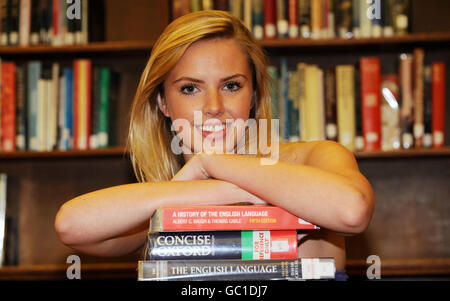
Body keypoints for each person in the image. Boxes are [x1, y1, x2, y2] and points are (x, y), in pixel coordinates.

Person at [55, 10, 374, 281]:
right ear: (163, 103)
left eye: (231, 85)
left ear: (254, 96)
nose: (214, 106)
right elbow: (71, 225)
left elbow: (352, 211)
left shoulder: (310, 159)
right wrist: (221, 188)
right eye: (190, 88)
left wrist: (212, 163)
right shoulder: (169, 200)